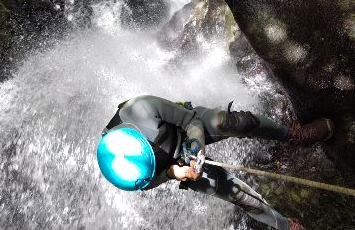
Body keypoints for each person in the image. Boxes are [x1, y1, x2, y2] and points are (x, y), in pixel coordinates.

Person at [97, 95, 334, 230]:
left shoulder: (141, 108)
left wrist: (195, 150)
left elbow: (191, 120)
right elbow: (156, 178)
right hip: (179, 163)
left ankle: (292, 135)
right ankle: (285, 226)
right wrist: (174, 173)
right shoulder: (127, 176)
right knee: (234, 193)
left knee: (231, 123)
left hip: (185, 127)